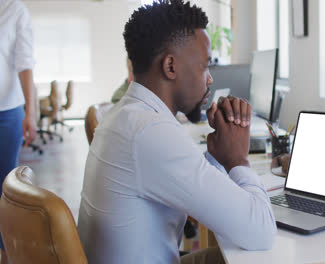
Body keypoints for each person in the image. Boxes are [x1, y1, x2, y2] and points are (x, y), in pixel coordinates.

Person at [77, 0, 276, 263]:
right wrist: (239, 160)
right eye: (205, 66)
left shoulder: (128, 115)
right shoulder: (150, 132)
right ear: (170, 66)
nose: (210, 79)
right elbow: (261, 232)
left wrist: (217, 155)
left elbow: (193, 184)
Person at [0, 0, 37, 263]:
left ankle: (5, 252)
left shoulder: (14, 9)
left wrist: (31, 112)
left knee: (4, 188)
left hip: (7, 112)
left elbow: (24, 63)